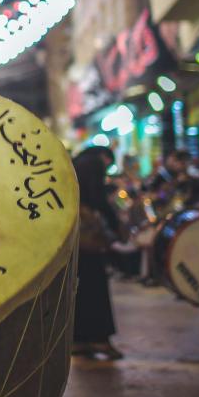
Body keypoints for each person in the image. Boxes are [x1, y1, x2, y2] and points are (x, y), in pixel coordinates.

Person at [71, 144, 123, 361]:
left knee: (80, 288)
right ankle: (101, 339)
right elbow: (98, 198)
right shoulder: (94, 164)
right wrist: (115, 222)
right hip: (89, 238)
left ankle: (79, 340)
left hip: (73, 239)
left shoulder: (74, 164)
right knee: (96, 285)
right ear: (104, 156)